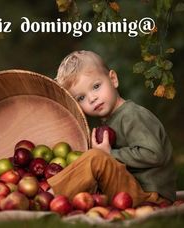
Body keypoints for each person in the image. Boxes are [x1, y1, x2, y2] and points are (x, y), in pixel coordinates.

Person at [47, 50, 176, 207]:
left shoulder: (132, 115)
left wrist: (109, 154)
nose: (92, 98)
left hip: (150, 195)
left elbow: (154, 154)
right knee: (93, 157)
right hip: (129, 190)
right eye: (81, 98)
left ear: (113, 79)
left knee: (96, 158)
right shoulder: (109, 123)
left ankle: (48, 196)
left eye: (96, 86)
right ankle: (57, 197)